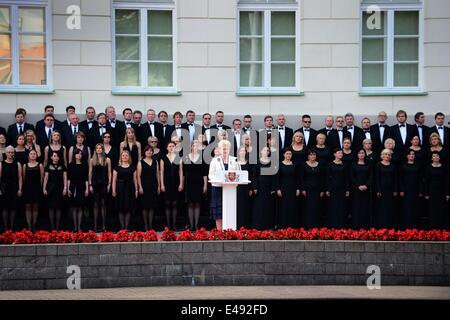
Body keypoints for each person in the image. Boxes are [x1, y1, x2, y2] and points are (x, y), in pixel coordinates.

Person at [209, 140, 241, 230]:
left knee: (229, 209)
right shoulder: (214, 161)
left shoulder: (234, 160)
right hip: (217, 188)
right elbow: (210, 175)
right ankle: (220, 232)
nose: (225, 150)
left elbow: (239, 173)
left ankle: (229, 230)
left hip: (230, 189)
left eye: (226, 148)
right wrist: (220, 180)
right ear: (219, 149)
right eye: (223, 148)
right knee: (218, 211)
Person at [183, 141, 207, 231]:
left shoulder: (202, 157)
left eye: (197, 145)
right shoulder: (186, 157)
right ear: (191, 146)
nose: (195, 147)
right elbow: (183, 173)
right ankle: (190, 224)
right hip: (189, 183)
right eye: (194, 145)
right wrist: (182, 183)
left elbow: (205, 173)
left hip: (198, 183)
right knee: (190, 204)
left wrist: (205, 185)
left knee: (197, 203)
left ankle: (195, 225)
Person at [112, 150, 138, 231]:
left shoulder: (132, 167)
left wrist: (136, 190)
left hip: (129, 189)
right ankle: (122, 227)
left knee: (128, 208)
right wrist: (113, 190)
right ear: (121, 157)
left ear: (129, 157)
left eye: (126, 155)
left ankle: (126, 228)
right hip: (120, 189)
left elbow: (135, 180)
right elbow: (114, 180)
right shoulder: (117, 167)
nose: (125, 157)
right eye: (123, 155)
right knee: (121, 208)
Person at [160, 141, 184, 230]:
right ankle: (168, 225)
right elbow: (161, 172)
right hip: (166, 183)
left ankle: (173, 225)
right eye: (169, 146)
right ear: (167, 148)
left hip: (175, 183)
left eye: (173, 146)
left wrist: (181, 183)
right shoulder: (163, 158)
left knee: (174, 204)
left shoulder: (178, 158)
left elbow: (181, 171)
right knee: (167, 203)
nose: (171, 148)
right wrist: (162, 184)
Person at [300, 149, 325, 229]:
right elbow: (302, 178)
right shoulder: (304, 165)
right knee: (308, 207)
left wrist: (322, 190)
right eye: (311, 155)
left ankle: (316, 226)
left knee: (317, 207)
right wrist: (303, 189)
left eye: (314, 155)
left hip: (317, 190)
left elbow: (322, 178)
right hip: (307, 190)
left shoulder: (320, 165)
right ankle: (307, 226)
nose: (312, 156)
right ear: (308, 156)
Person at [89, 143, 111, 232]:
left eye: (100, 148)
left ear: (102, 149)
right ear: (95, 150)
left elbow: (109, 173)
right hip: (95, 184)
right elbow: (90, 173)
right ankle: (95, 226)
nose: (99, 150)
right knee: (95, 205)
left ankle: (103, 226)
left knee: (103, 204)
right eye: (97, 148)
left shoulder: (107, 160)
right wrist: (90, 185)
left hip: (104, 184)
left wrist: (109, 184)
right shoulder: (92, 160)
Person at [276, 148, 300, 229]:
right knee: (283, 207)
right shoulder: (279, 164)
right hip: (283, 189)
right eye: (287, 154)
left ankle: (292, 226)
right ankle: (283, 225)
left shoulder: (295, 165)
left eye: (290, 154)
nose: (288, 155)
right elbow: (277, 178)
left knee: (292, 206)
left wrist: (298, 189)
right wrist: (278, 189)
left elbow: (297, 178)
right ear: (284, 155)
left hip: (292, 189)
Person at [424, 151, 449, 229]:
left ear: (439, 157)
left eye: (437, 156)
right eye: (434, 156)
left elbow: (447, 181)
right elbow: (426, 181)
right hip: (432, 191)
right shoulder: (428, 168)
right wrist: (426, 193)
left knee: (441, 209)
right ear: (431, 158)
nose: (436, 157)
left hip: (442, 191)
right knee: (432, 210)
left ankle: (441, 228)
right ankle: (433, 228)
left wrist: (447, 193)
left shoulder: (444, 168)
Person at [43, 151, 68, 230]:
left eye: (57, 156)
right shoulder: (48, 166)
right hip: (51, 189)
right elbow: (46, 178)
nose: (56, 157)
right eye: (54, 156)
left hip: (59, 188)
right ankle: (52, 226)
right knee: (51, 207)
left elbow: (65, 178)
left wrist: (65, 188)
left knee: (58, 207)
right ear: (51, 157)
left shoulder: (62, 166)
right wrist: (44, 188)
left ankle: (57, 227)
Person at [137, 146, 160, 231]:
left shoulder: (155, 162)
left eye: (151, 151)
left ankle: (150, 225)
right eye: (147, 151)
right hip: (144, 186)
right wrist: (140, 187)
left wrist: (159, 185)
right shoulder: (140, 162)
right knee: (145, 207)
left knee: (151, 206)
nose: (149, 152)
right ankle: (146, 226)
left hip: (153, 185)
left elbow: (157, 174)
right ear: (144, 152)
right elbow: (138, 176)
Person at [326, 149, 350, 229]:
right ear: (334, 154)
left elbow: (347, 178)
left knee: (342, 207)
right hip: (333, 189)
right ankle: (332, 226)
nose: (341, 154)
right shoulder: (330, 165)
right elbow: (327, 178)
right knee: (333, 207)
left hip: (342, 188)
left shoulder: (345, 165)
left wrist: (347, 189)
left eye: (341, 153)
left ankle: (341, 226)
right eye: (339, 153)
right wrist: (328, 189)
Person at [374, 149, 398, 228]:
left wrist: (395, 190)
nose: (387, 156)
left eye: (388, 155)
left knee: (390, 207)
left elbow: (395, 179)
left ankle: (389, 226)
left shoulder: (393, 166)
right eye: (385, 154)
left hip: (390, 190)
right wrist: (378, 190)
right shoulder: (378, 165)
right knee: (381, 208)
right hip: (381, 190)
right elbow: (376, 179)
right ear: (382, 155)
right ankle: (381, 226)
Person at [399, 150, 423, 229]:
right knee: (406, 208)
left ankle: (415, 227)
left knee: (415, 208)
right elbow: (401, 178)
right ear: (407, 156)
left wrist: (420, 190)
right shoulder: (403, 165)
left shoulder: (418, 165)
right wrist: (402, 190)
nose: (411, 155)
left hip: (415, 189)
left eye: (413, 154)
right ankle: (406, 227)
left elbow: (420, 179)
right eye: (410, 154)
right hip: (406, 190)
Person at [21, 149, 44, 232]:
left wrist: (40, 188)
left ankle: (34, 226)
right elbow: (23, 178)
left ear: (36, 155)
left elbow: (42, 178)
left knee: (35, 207)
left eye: (34, 154)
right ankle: (29, 226)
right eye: (31, 154)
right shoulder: (25, 166)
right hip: (27, 188)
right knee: (27, 207)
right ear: (28, 155)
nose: (33, 155)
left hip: (37, 188)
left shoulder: (40, 165)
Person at [0, 146, 22, 231]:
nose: (10, 154)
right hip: (4, 188)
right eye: (8, 152)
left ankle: (12, 228)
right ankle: (6, 228)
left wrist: (20, 189)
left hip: (14, 187)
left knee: (13, 208)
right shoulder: (1, 163)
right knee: (5, 208)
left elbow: (20, 177)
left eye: (12, 152)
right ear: (5, 153)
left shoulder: (17, 164)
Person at [68, 149, 89, 232]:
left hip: (82, 187)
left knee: (80, 207)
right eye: (77, 154)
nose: (79, 155)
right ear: (74, 155)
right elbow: (69, 178)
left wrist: (87, 189)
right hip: (73, 187)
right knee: (74, 207)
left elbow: (86, 178)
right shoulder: (71, 165)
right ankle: (75, 226)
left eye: (80, 154)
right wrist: (68, 188)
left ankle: (79, 226)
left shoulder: (84, 165)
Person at [351, 149, 372, 229]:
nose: (361, 154)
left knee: (365, 208)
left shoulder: (368, 164)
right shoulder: (353, 165)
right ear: (357, 155)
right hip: (356, 190)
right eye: (359, 153)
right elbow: (352, 177)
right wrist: (358, 186)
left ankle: (365, 227)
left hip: (366, 190)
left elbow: (371, 176)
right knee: (356, 208)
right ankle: (356, 227)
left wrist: (366, 185)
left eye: (363, 153)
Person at [237, 146, 252, 229]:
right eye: (241, 151)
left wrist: (251, 188)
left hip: (246, 188)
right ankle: (238, 225)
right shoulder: (235, 163)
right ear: (238, 152)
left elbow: (251, 176)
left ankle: (246, 226)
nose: (242, 152)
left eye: (244, 151)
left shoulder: (249, 163)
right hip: (237, 187)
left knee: (246, 206)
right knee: (238, 206)